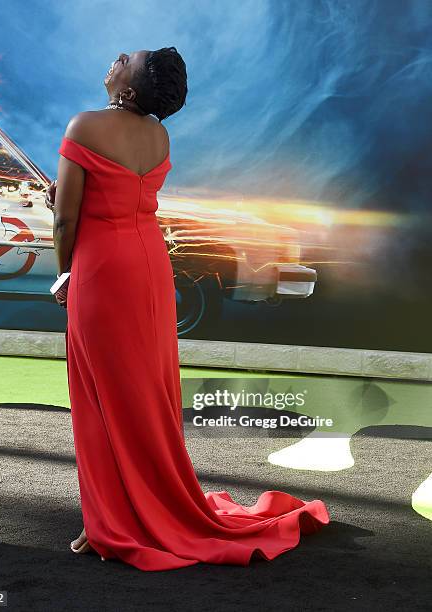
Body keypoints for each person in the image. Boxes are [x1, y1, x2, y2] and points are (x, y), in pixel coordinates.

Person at [45, 46, 330, 572]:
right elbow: (121, 200)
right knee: (144, 388)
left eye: (128, 60)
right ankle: (127, 511)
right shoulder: (159, 136)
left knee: (101, 393)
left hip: (102, 268)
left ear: (128, 89)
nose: (119, 57)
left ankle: (111, 520)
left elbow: (66, 221)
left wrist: (63, 271)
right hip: (149, 265)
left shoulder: (84, 125)